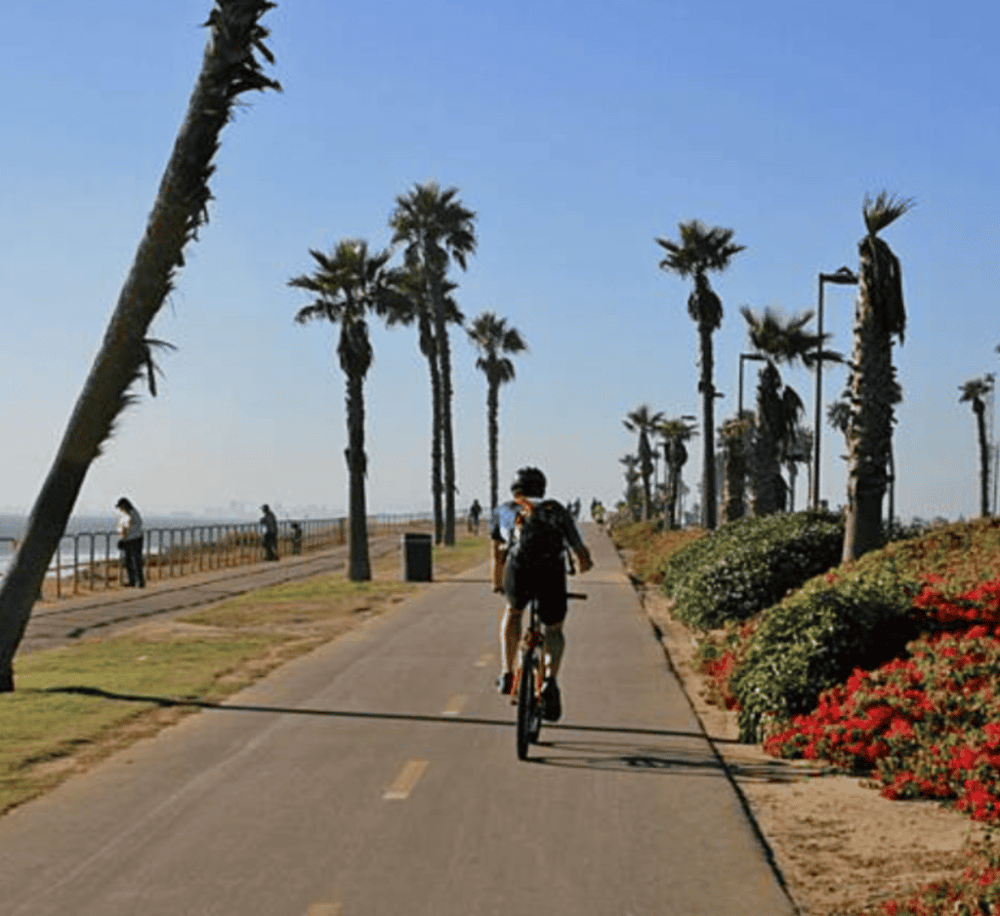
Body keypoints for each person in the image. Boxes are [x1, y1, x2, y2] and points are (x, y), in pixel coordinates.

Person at [490, 466, 592, 722]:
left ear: (515, 490)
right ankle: (550, 681)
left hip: (519, 571)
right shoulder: (555, 510)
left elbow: (497, 556)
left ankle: (507, 673)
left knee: (513, 612)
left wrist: (498, 584)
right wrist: (583, 565)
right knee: (554, 629)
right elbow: (580, 552)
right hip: (551, 573)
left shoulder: (505, 511)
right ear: (542, 489)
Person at [115, 497, 145, 587]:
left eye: (121, 507)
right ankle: (134, 581)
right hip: (133, 539)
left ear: (124, 506)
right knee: (131, 561)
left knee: (134, 560)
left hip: (134, 540)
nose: (120, 509)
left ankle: (138, 581)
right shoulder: (131, 514)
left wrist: (123, 537)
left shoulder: (132, 514)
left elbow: (127, 529)